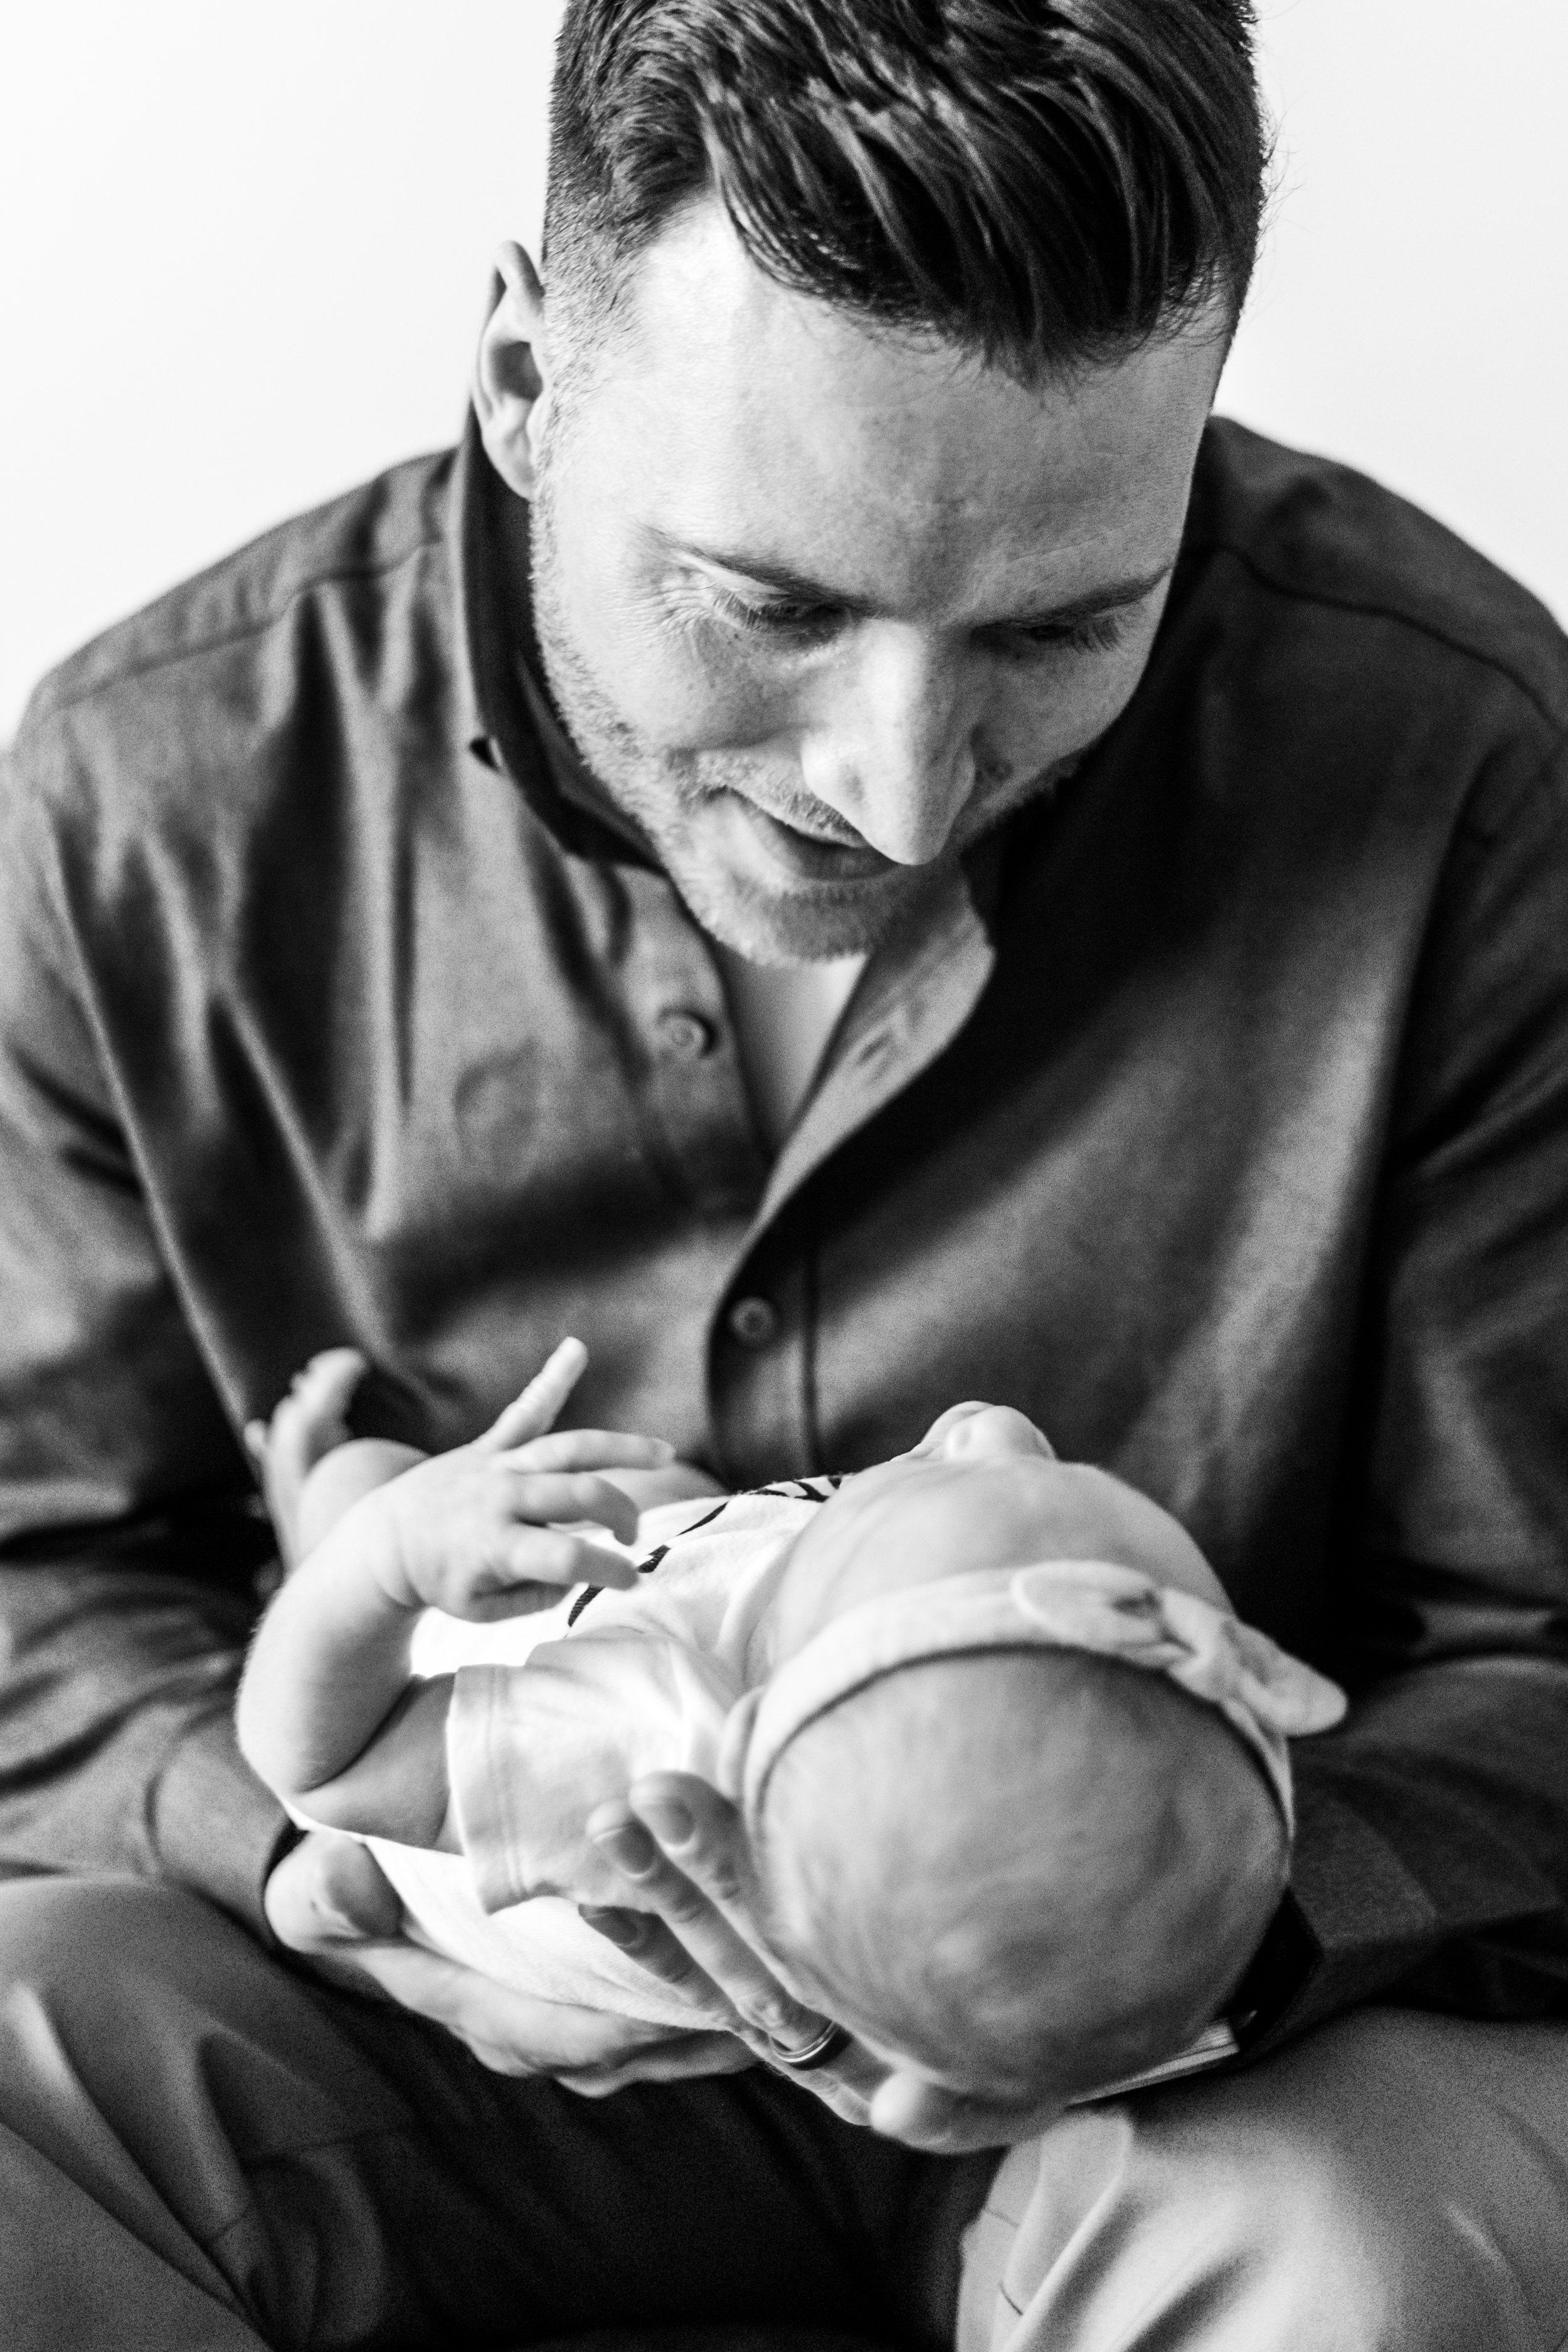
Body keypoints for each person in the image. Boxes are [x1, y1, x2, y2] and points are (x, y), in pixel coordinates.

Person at [1, 1, 1566, 2346]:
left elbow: (1541, 1656)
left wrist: (1174, 1937)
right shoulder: (150, 802)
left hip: (1170, 2063)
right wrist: (340, 1862)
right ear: (526, 377)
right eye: (775, 604)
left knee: (1365, 2267)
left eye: (1061, 627)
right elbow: (38, 1585)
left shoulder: (1462, 771)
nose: (906, 790)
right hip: (392, 1983)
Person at [236, 1342, 1345, 2104]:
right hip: (687, 1588)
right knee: (666, 1477)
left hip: (422, 1741)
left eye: (947, 1490)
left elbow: (323, 1764)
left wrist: (374, 1559)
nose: (987, 1430)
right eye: (1058, 1482)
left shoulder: (646, 1744)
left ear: (770, 1707)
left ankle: (303, 1575)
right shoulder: (876, 1701)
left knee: (367, 1484)